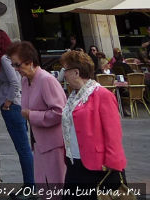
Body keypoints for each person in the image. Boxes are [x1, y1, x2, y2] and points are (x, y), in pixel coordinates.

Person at [58, 49, 127, 191]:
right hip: (74, 162)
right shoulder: (73, 97)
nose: (63, 75)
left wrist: (113, 166)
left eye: (65, 70)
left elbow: (113, 134)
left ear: (76, 72)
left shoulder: (102, 95)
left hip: (98, 167)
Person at [10, 40, 67, 185]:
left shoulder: (46, 80)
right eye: (13, 65)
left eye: (17, 64)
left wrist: (32, 115)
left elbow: (60, 112)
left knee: (57, 187)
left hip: (53, 144)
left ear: (29, 62)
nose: (16, 69)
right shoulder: (25, 80)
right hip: (38, 142)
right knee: (43, 186)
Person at [0, 29, 33, 185]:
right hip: (10, 106)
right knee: (22, 148)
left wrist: (8, 101)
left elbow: (15, 81)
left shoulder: (5, 59)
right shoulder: (1, 58)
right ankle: (29, 184)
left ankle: (30, 185)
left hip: (13, 107)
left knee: (23, 148)